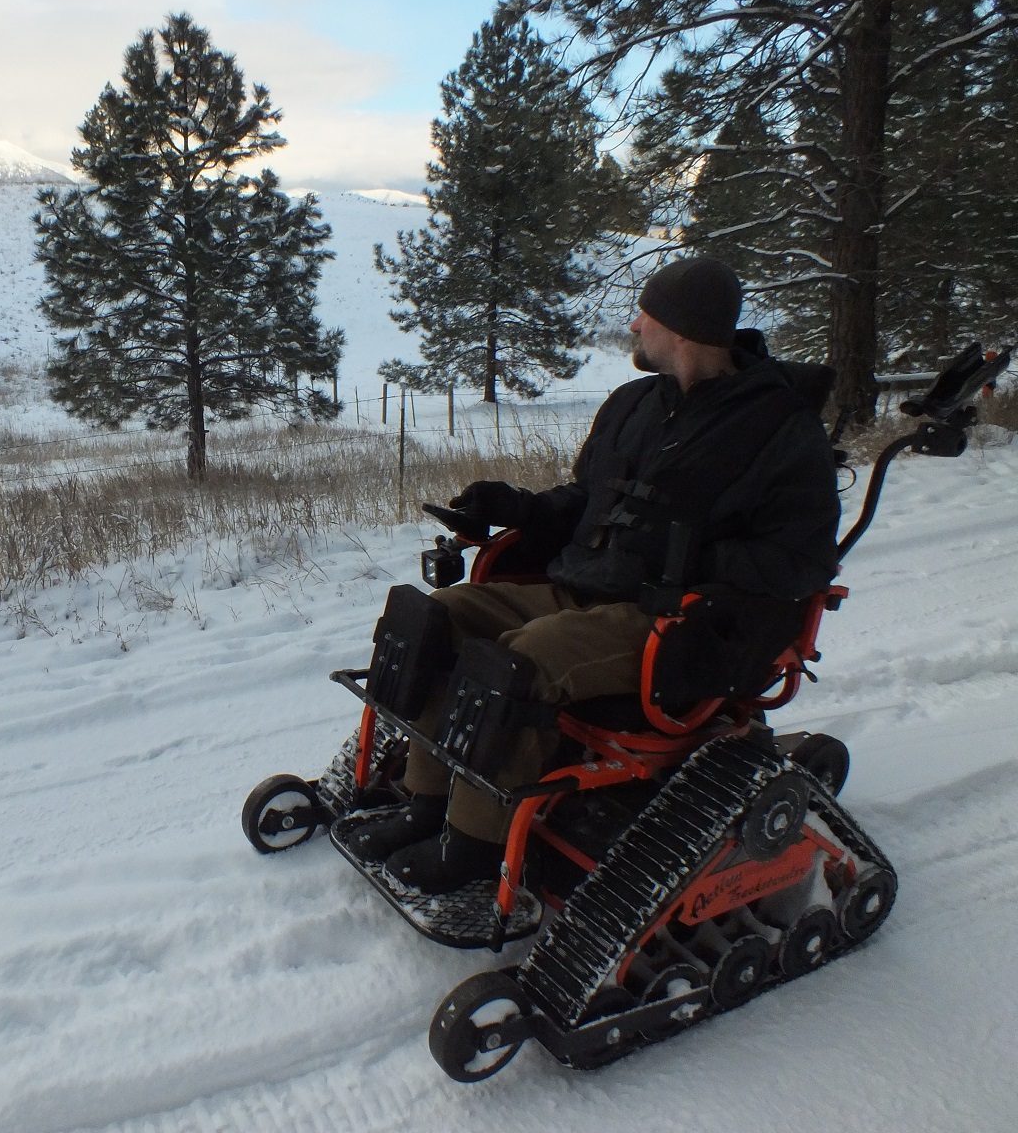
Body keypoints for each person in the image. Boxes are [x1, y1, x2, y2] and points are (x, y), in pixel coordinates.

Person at [354, 256, 842, 894]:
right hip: (580, 589)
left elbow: (802, 564)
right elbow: (588, 502)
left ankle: (474, 843)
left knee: (519, 660)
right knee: (439, 615)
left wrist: (694, 556)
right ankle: (424, 803)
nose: (634, 324)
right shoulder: (634, 403)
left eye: (648, 315)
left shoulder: (780, 430)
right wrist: (516, 507)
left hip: (674, 620)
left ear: (685, 329)